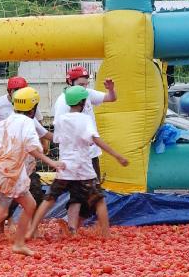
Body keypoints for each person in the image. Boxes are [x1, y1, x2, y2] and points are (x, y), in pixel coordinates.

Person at [0, 88, 63, 259]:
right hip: (11, 174)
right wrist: (52, 162)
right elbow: (32, 147)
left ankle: (19, 244)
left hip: (5, 171)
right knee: (1, 213)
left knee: (30, 205)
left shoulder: (4, 122)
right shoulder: (27, 123)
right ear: (32, 108)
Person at [27, 86, 129, 239]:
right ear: (82, 102)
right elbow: (95, 139)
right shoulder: (86, 119)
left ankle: (31, 230)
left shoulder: (61, 120)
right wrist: (117, 155)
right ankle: (107, 234)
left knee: (50, 199)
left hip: (65, 167)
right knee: (99, 200)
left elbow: (56, 138)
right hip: (83, 168)